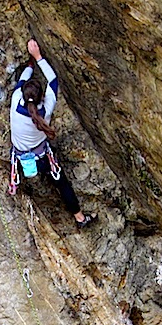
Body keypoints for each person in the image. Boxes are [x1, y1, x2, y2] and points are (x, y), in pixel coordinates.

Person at [9, 38, 96, 229]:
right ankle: (80, 218)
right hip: (42, 157)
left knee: (33, 174)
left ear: (23, 94)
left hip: (22, 159)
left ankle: (16, 185)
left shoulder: (15, 101)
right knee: (62, 183)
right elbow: (53, 79)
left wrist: (30, 64)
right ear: (42, 96)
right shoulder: (47, 108)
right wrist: (38, 57)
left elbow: (22, 80)